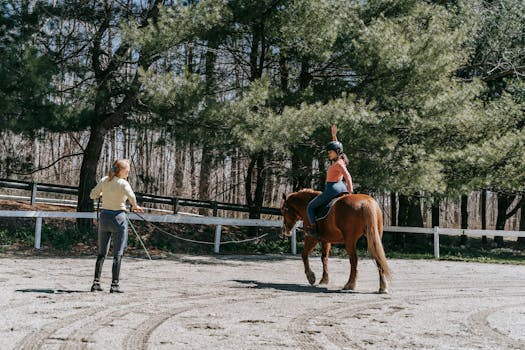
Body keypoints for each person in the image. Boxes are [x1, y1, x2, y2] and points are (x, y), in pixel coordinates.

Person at [89, 159, 143, 293]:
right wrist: (135, 206)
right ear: (122, 171)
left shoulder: (104, 180)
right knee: (118, 253)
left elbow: (92, 195)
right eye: (127, 171)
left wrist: (102, 194)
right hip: (119, 218)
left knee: (102, 252)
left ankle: (96, 283)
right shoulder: (123, 183)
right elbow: (131, 196)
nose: (128, 173)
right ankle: (114, 285)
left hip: (104, 218)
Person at [306, 125, 353, 237]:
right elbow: (337, 146)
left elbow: (348, 176)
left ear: (337, 152)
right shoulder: (339, 159)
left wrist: (351, 192)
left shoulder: (338, 163)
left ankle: (313, 229)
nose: (328, 154)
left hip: (332, 189)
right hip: (341, 187)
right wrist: (334, 136)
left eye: (330, 152)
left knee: (310, 207)